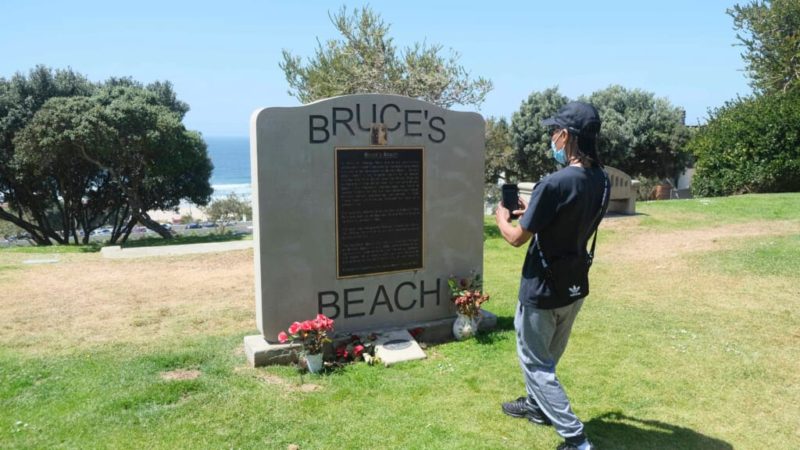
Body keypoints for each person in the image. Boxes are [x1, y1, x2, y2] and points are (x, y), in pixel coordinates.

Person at [494, 101, 609, 450]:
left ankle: (575, 439)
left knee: (536, 363)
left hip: (542, 289)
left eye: (554, 132)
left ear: (567, 135)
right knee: (548, 357)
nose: (551, 138)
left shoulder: (554, 182)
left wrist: (501, 216)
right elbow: (566, 219)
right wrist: (535, 212)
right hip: (574, 286)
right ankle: (536, 406)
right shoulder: (601, 180)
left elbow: (516, 238)